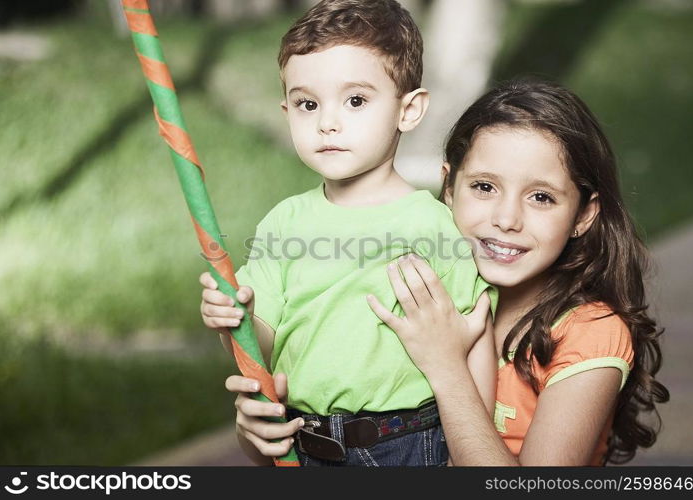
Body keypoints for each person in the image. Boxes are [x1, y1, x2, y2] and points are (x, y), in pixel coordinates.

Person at [210, 79, 669, 466]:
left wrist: (447, 365)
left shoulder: (590, 333)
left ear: (584, 215)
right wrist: (260, 431)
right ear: (448, 187)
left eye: (541, 197)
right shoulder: (419, 288)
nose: (506, 219)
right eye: (484, 187)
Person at [200, 0, 497, 466]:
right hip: (305, 443)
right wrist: (236, 316)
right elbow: (262, 345)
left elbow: (474, 334)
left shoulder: (434, 225)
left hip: (407, 445)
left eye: (355, 100)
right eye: (307, 104)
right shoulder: (284, 224)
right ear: (287, 111)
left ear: (410, 109)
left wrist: (473, 452)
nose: (327, 122)